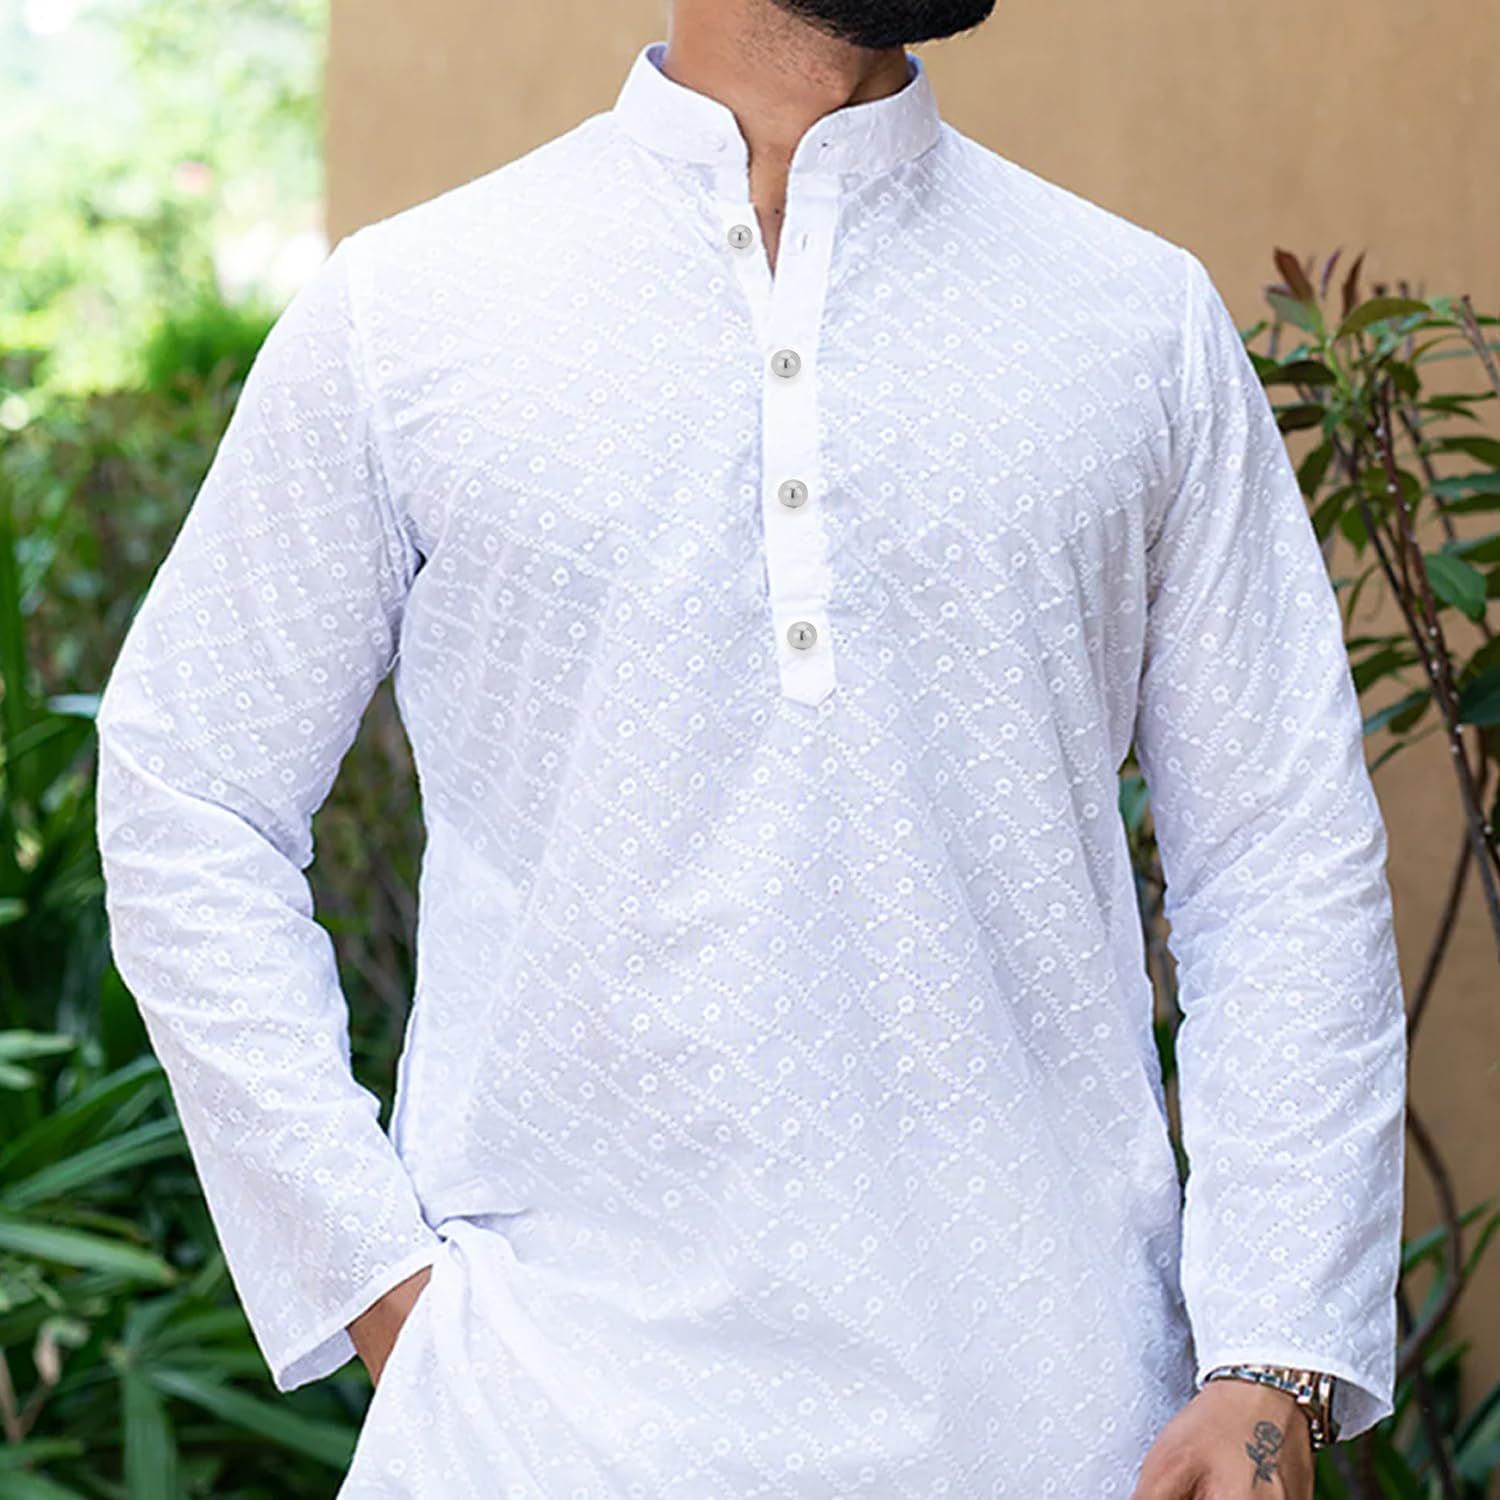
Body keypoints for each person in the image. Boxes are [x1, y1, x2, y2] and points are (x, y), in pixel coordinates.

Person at [92, 0, 1409, 1495]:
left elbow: (1281, 853)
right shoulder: (410, 309)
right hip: (541, 1438)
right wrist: (369, 1275)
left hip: (1062, 1432)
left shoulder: (1136, 321)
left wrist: (1273, 1359)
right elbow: (189, 788)